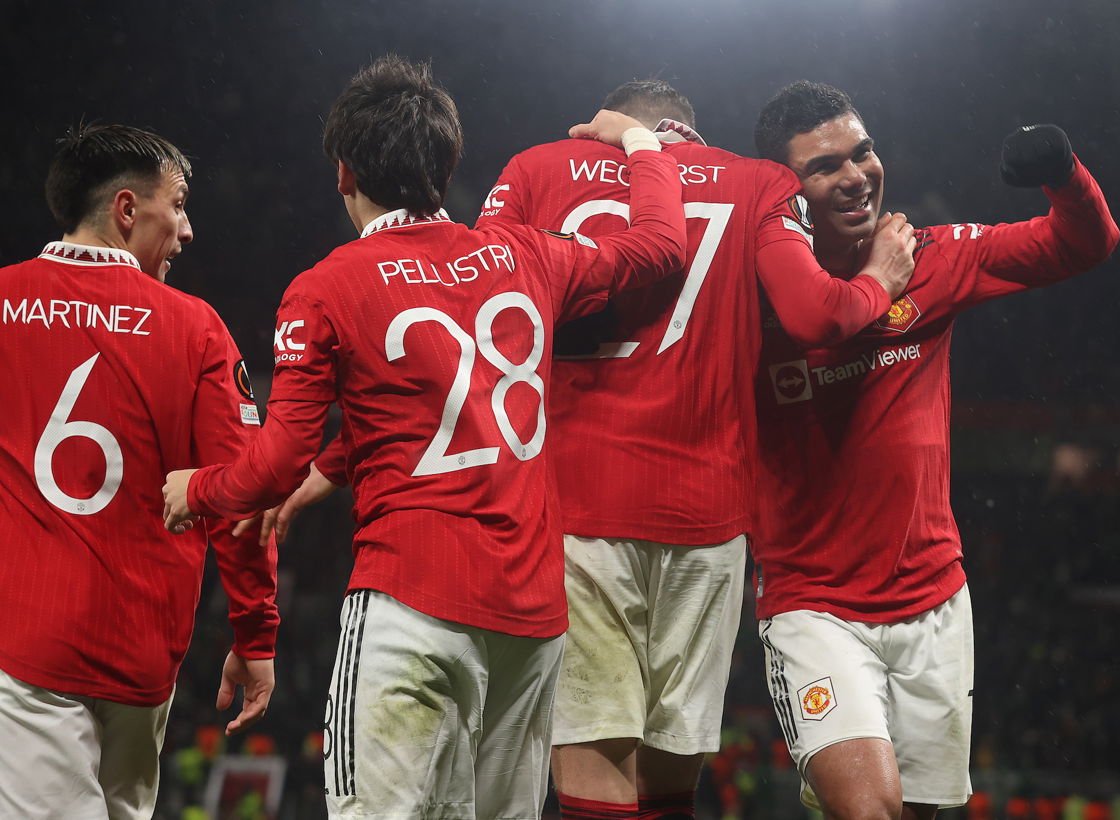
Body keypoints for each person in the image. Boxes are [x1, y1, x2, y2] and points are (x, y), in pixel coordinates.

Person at [161, 55, 686, 818]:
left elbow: (272, 466)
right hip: (531, 618)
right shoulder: (527, 254)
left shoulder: (326, 287)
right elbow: (661, 249)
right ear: (446, 163)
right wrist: (642, 145)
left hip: (412, 604)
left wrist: (197, 488)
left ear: (344, 174)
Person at [468, 80, 916, 819]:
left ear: (605, 127)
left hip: (579, 505)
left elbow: (483, 313)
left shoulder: (535, 169)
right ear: (689, 132)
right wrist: (877, 282)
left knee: (594, 778)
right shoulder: (760, 182)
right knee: (669, 787)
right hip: (707, 515)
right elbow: (814, 313)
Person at [751, 81, 1120, 819]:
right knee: (870, 811)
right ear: (784, 191)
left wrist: (1064, 175)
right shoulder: (751, 289)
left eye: (862, 153)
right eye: (826, 167)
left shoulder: (932, 258)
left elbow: (1085, 243)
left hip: (933, 601)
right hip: (815, 606)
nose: (856, 175)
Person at [0, 123, 279, 820]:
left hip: (27, 646)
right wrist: (254, 635)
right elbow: (241, 499)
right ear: (127, 210)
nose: (186, 230)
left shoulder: (5, 302)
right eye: (177, 205)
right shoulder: (197, 329)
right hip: (144, 657)